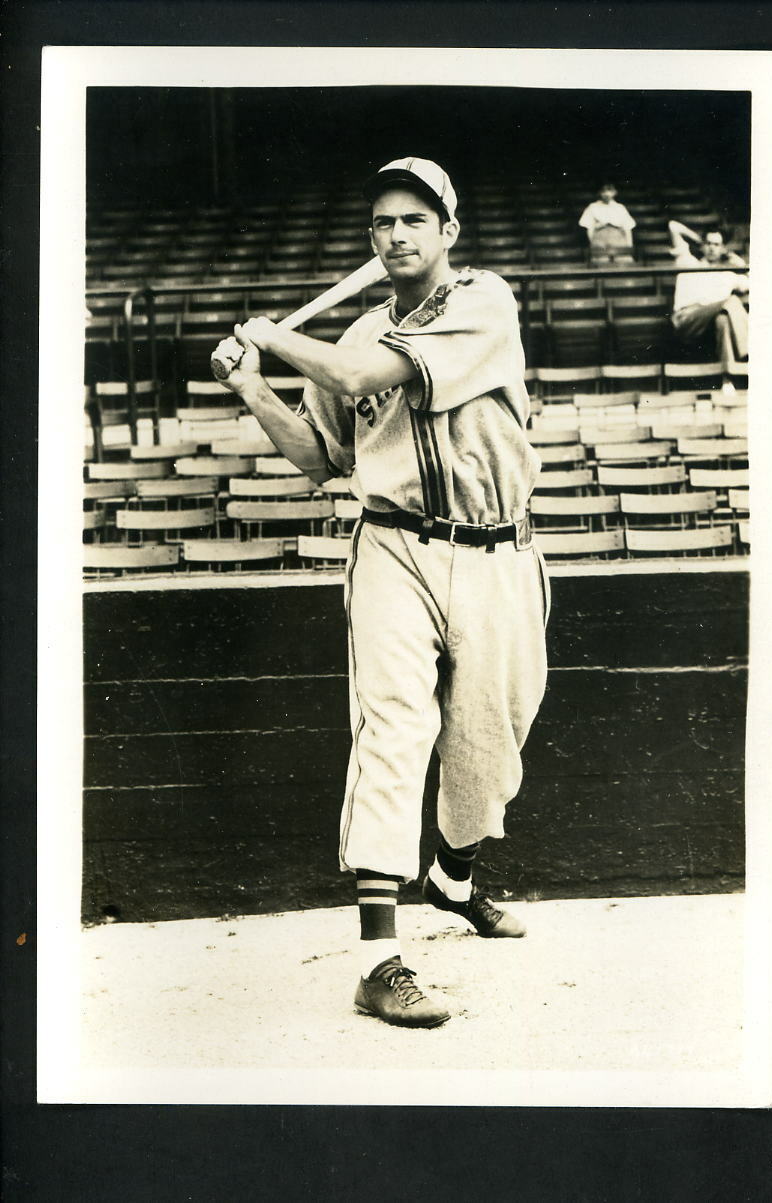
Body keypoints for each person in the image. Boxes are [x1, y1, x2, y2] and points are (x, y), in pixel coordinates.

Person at [214, 157, 550, 1028]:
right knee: (396, 729)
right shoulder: (354, 334)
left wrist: (268, 331)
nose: (396, 235)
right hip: (394, 545)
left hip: (496, 548)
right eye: (382, 224)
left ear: (449, 231)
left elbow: (366, 379)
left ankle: (454, 876)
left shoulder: (486, 302)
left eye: (414, 220)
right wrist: (252, 384)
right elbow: (320, 456)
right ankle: (378, 958)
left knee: (492, 743)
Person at [668, 219, 749, 365]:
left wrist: (739, 262)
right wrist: (698, 239)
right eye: (708, 243)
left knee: (722, 320)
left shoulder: (728, 274)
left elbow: (752, 283)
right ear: (703, 246)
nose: (712, 248)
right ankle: (749, 352)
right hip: (686, 319)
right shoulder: (688, 262)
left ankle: (727, 379)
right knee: (731, 301)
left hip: (710, 324)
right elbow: (673, 226)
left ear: (723, 248)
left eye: (716, 244)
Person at [578, 183, 636, 259]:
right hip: (599, 240)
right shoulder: (593, 207)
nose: (606, 194)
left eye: (609, 191)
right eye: (603, 191)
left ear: (614, 192)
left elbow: (628, 229)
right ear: (599, 193)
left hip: (618, 239)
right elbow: (589, 228)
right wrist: (593, 244)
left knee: (623, 260)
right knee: (601, 261)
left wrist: (629, 246)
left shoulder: (620, 207)